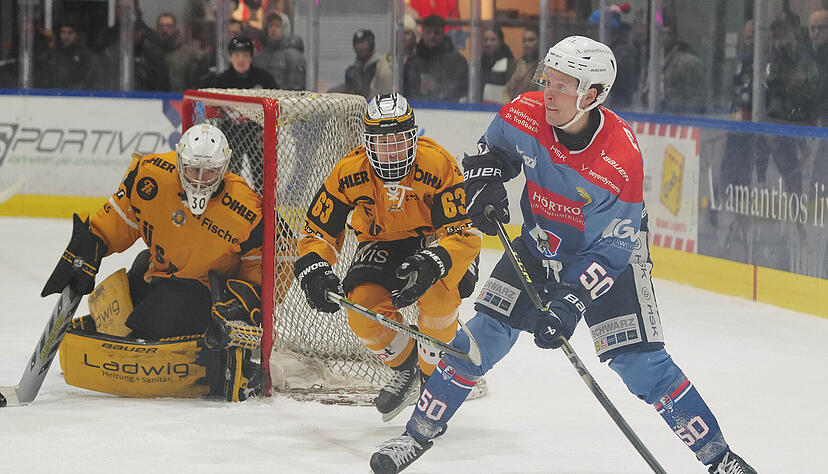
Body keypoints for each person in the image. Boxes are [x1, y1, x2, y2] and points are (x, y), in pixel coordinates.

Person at [370, 36, 756, 474]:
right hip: (538, 247)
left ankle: (721, 460)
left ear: (591, 95)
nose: (547, 92)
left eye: (561, 85)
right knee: (480, 340)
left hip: (611, 259)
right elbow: (489, 152)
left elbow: (612, 247)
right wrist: (484, 183)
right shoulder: (525, 112)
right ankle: (417, 433)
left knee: (641, 366)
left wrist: (569, 301)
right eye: (547, 79)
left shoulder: (619, 158)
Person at [41, 123, 279, 401]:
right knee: (129, 281)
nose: (201, 180)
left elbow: (261, 269)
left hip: (203, 293)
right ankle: (129, 328)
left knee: (157, 316)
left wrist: (243, 301)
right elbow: (120, 219)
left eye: (210, 172)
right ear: (180, 162)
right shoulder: (151, 175)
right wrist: (90, 246)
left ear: (225, 168)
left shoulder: (246, 209)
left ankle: (143, 337)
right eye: (193, 170)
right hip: (161, 271)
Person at [293, 93, 481, 421]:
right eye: (381, 143)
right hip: (381, 241)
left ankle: (430, 374)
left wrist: (435, 261)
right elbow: (317, 231)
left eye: (398, 141)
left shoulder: (438, 164)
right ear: (367, 143)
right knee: (361, 310)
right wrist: (315, 266)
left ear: (413, 137)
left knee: (438, 301)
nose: (390, 151)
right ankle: (407, 368)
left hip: (434, 240)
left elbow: (461, 233)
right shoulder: (349, 171)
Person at [404, 14, 468, 102]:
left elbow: (458, 89)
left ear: (443, 34)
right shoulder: (413, 61)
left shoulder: (457, 61)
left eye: (437, 33)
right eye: (428, 32)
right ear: (422, 33)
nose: (432, 36)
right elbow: (407, 89)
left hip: (448, 111)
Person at [199, 36, 278, 89]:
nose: (241, 60)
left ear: (251, 57)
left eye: (245, 55)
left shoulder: (264, 78)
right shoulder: (220, 81)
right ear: (230, 57)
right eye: (236, 55)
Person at [253, 12, 306, 90]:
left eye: (278, 26)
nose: (273, 29)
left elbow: (297, 86)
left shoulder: (294, 56)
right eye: (270, 26)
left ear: (285, 29)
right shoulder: (260, 56)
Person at [661, 24, 706, 115]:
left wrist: (689, 122)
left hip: (680, 115)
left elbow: (694, 96)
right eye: (662, 34)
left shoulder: (687, 62)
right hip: (663, 114)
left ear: (675, 37)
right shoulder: (657, 60)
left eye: (669, 34)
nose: (665, 37)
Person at [371, 15, 419, 97]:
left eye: (407, 33)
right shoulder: (384, 61)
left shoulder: (419, 61)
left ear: (414, 37)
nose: (403, 37)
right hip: (385, 106)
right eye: (400, 33)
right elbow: (374, 88)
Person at [156, 13, 202, 92]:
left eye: (168, 26)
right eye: (161, 26)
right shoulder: (150, 52)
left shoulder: (187, 54)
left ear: (175, 28)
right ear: (157, 28)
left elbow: (193, 83)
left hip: (179, 99)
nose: (165, 29)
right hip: (153, 100)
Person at [330, 29, 378, 98]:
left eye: (363, 44)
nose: (359, 48)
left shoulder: (380, 67)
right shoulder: (352, 71)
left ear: (370, 45)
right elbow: (348, 88)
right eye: (357, 44)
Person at [479, 24, 515, 104]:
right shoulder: (481, 62)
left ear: (501, 42)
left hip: (501, 107)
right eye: (486, 40)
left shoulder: (509, 63)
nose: (488, 43)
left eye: (493, 40)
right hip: (483, 106)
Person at [502, 26, 540, 102]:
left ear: (539, 42)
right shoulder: (515, 65)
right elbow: (507, 91)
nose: (526, 44)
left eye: (531, 40)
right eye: (524, 40)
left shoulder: (542, 67)